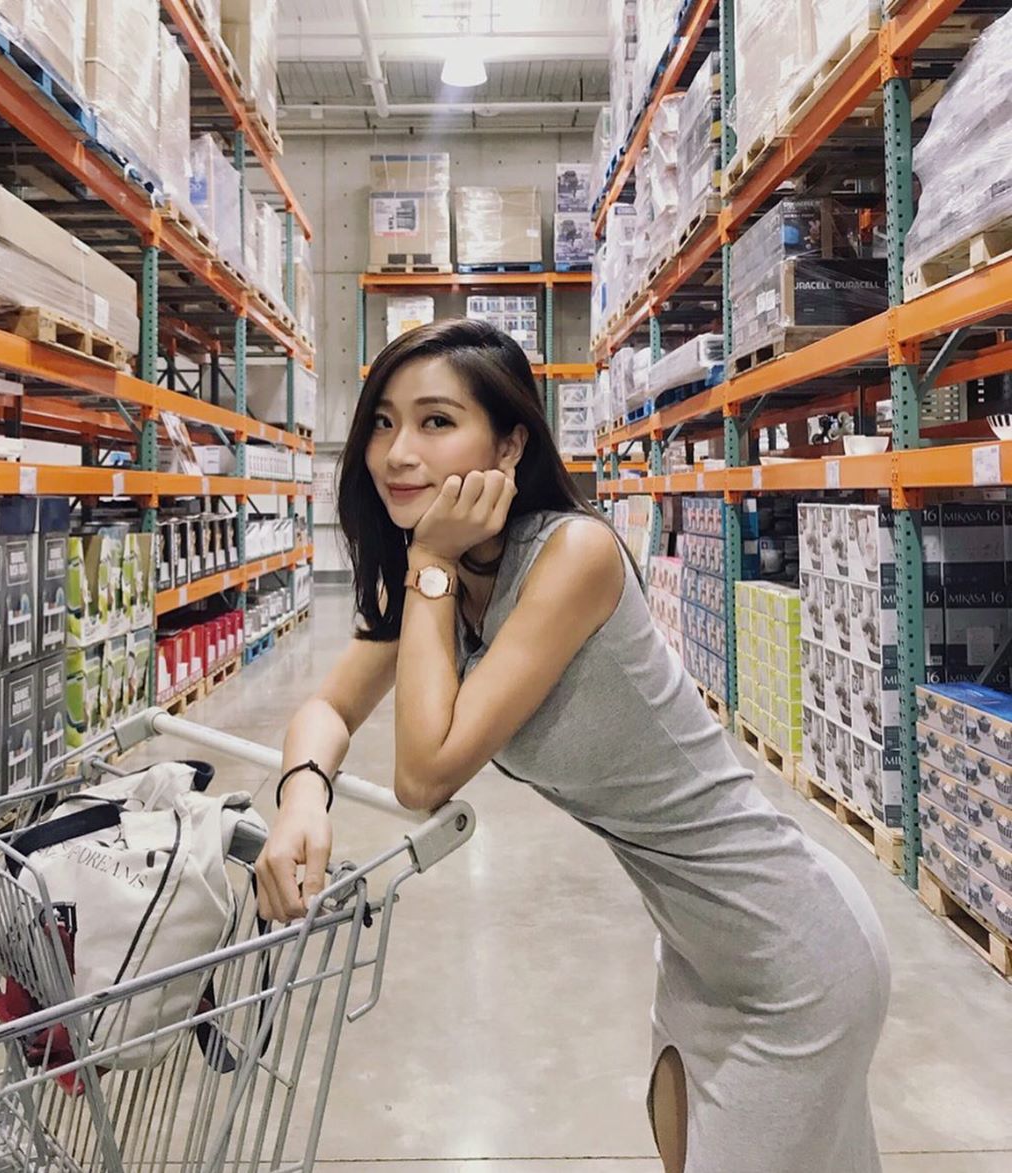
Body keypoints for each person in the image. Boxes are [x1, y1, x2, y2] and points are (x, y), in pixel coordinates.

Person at [256, 319, 891, 1173]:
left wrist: (432, 560)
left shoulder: (572, 556)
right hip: (700, 953)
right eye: (382, 421)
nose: (398, 452)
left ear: (510, 442)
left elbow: (424, 772)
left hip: (791, 952)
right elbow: (329, 706)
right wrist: (302, 794)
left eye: (436, 421)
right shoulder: (439, 577)